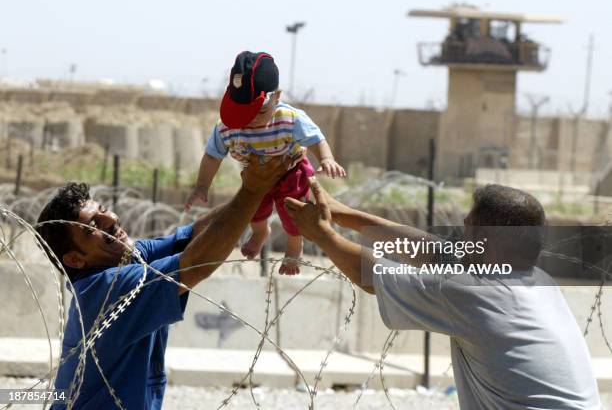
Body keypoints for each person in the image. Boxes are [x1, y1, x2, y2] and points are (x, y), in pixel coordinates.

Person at [285, 179, 602, 410]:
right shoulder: (537, 280)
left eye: (470, 225)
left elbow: (372, 276)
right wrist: (346, 215)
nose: (462, 229)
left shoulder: (471, 293)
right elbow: (436, 253)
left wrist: (322, 235)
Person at [37, 153, 293, 410]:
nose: (112, 220)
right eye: (93, 225)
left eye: (103, 210)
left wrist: (262, 191)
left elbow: (195, 234)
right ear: (74, 259)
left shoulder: (128, 256)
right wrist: (252, 191)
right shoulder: (104, 290)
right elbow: (196, 263)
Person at [185, 51, 345, 275]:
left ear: (276, 97)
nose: (250, 120)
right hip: (256, 177)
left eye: (258, 112)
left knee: (293, 213)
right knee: (253, 209)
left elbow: (316, 138)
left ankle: (294, 247)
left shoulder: (289, 118)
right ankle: (260, 233)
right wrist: (202, 186)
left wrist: (327, 158)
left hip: (291, 172)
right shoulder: (227, 127)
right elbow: (212, 156)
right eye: (242, 113)